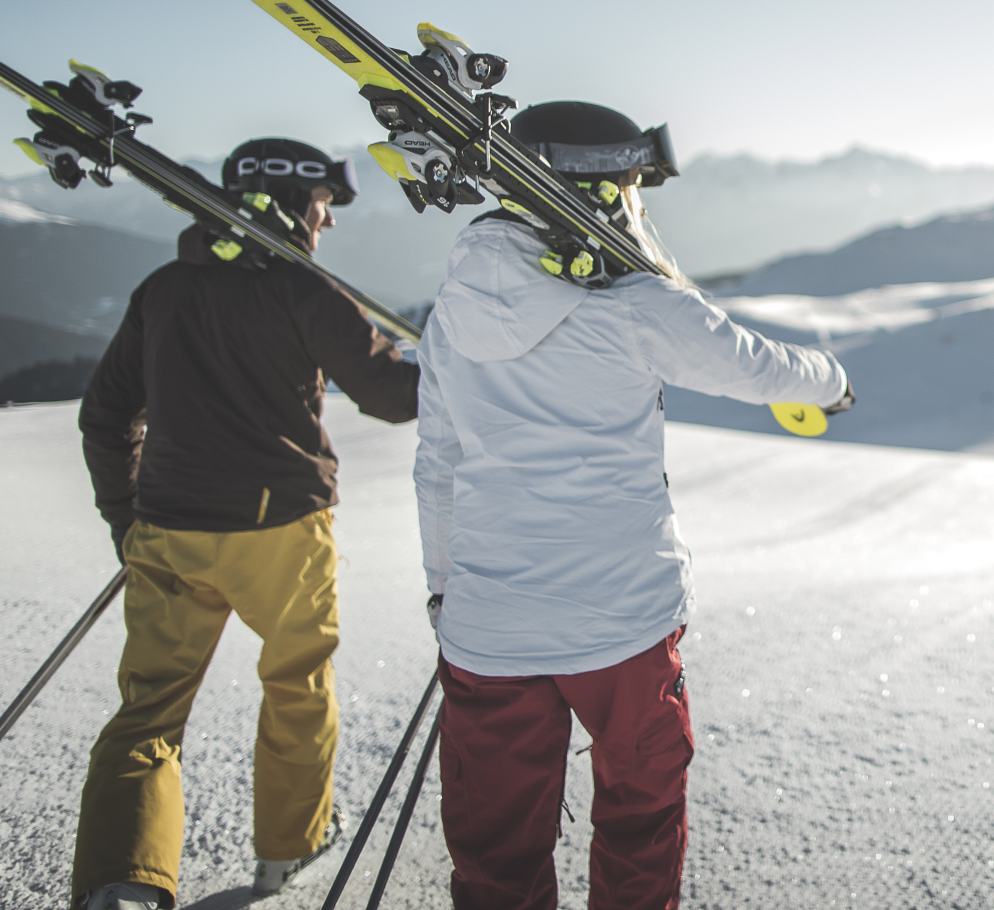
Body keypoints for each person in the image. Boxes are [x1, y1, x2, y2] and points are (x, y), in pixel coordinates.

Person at [414, 101, 850, 909]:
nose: (637, 204)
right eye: (630, 185)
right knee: (640, 815)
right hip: (621, 624)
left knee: (493, 843)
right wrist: (832, 379)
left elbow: (437, 463)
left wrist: (447, 584)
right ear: (601, 193)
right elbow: (755, 366)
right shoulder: (638, 306)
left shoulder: (453, 313)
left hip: (490, 622)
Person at [72, 139, 420, 910]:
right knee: (298, 683)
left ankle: (122, 881)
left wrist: (126, 519)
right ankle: (287, 851)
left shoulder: (163, 289)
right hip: (283, 532)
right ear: (297, 202)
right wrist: (453, 362)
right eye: (325, 206)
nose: (326, 224)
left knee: (149, 709)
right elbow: (394, 396)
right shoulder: (308, 290)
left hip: (168, 529)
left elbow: (105, 415)